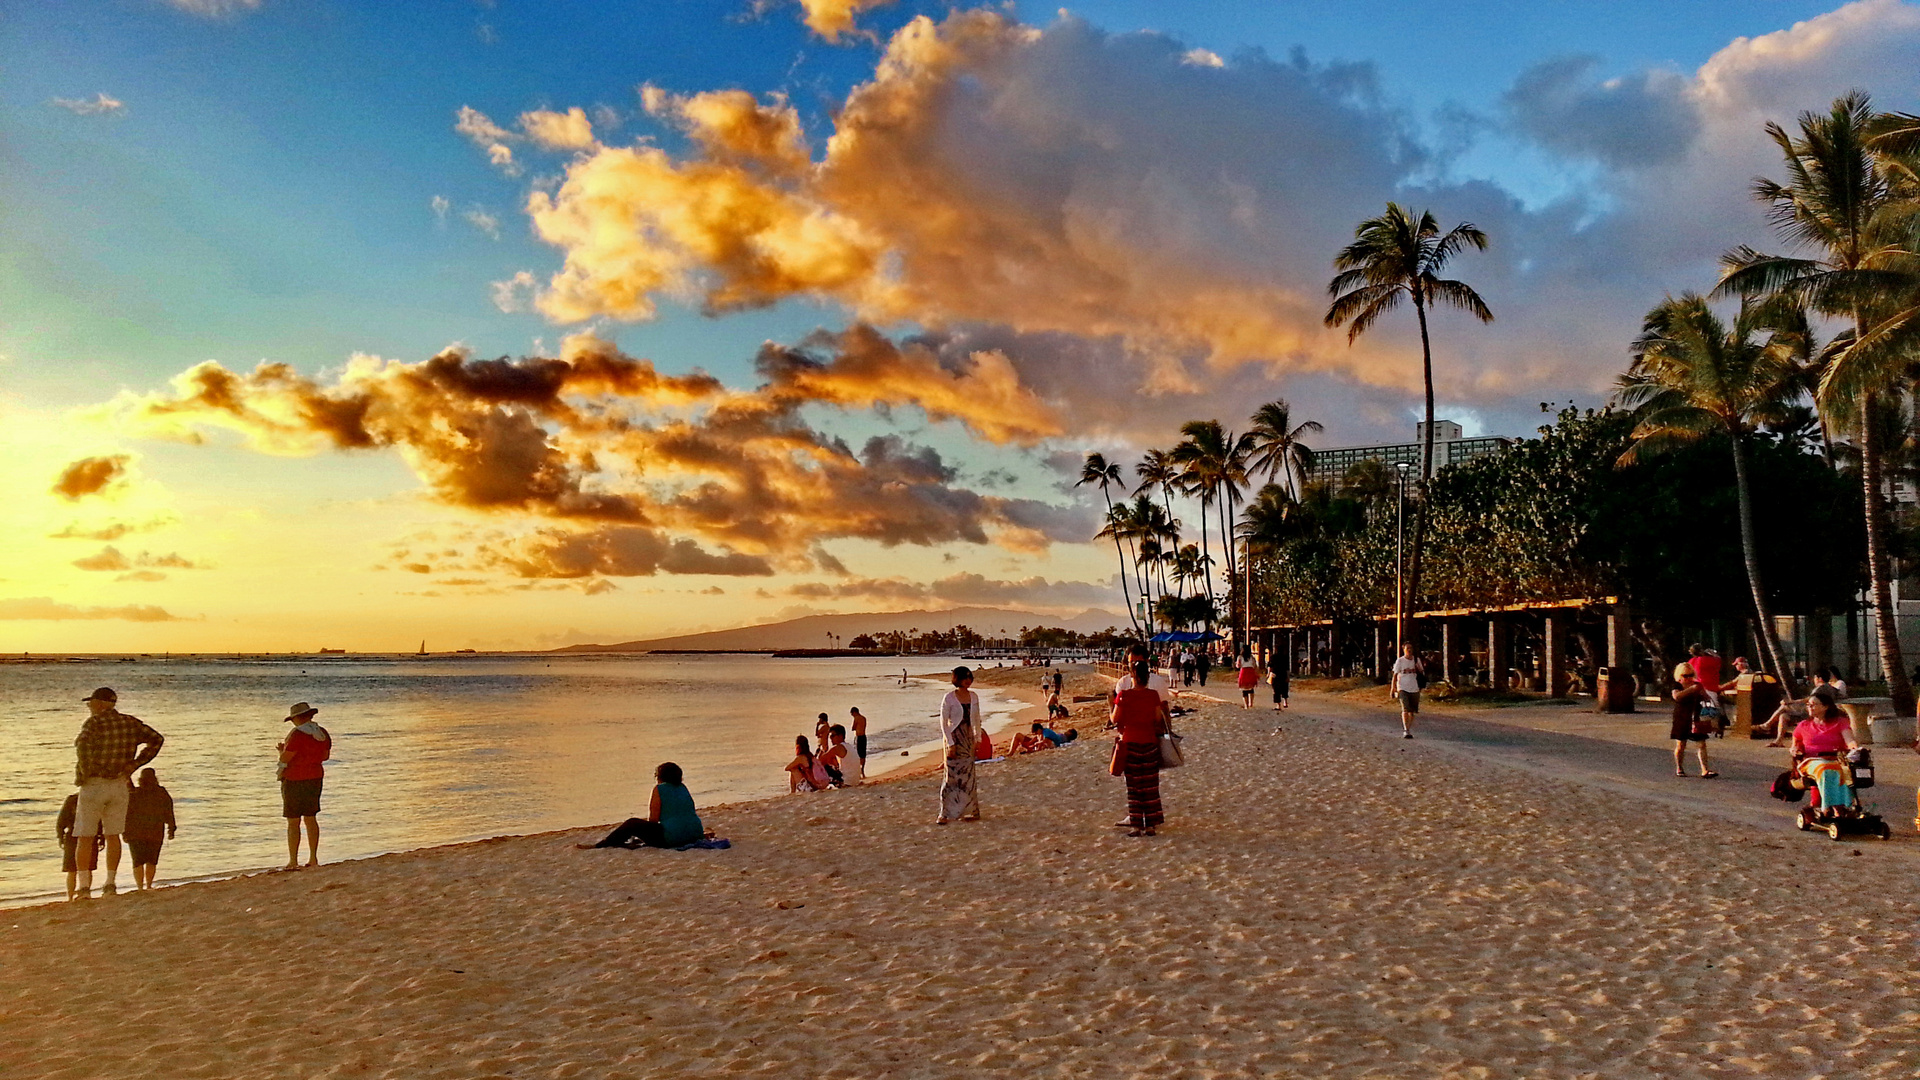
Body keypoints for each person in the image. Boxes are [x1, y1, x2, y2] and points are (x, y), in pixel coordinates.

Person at [72, 687, 165, 897]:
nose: (89, 707)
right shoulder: (130, 722)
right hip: (120, 783)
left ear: (101, 704)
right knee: (112, 835)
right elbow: (156, 739)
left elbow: (83, 745)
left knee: (85, 836)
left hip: (95, 783)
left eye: (91, 703)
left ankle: (84, 887)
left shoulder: (94, 723)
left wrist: (87, 771)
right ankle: (110, 883)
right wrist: (133, 765)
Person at [582, 762, 704, 849]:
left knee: (632, 823)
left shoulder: (660, 789)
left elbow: (654, 820)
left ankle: (603, 844)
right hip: (695, 833)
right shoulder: (683, 788)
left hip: (673, 838)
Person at [1110, 659, 1169, 837]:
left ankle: (1136, 825)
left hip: (1130, 742)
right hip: (1149, 742)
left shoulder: (1124, 696)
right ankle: (1150, 825)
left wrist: (1110, 707)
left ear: (1132, 675)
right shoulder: (1152, 696)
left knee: (1134, 787)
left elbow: (1114, 719)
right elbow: (1158, 719)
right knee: (1150, 786)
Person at [278, 702, 331, 869]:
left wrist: (281, 752)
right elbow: (325, 756)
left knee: (293, 821)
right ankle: (313, 858)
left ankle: (293, 860)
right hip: (315, 777)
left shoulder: (297, 735)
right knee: (311, 818)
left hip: (294, 778)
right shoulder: (321, 733)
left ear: (297, 718)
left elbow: (286, 759)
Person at [937, 666, 982, 824]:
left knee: (969, 777)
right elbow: (943, 722)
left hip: (968, 740)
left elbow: (976, 720)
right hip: (954, 739)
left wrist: (978, 739)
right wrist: (950, 743)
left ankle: (972, 810)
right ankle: (945, 813)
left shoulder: (974, 696)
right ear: (958, 679)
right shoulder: (949, 697)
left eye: (970, 678)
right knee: (951, 776)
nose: (968, 681)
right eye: (965, 678)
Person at [123, 768, 176, 891]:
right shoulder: (161, 793)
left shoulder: (134, 793)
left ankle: (140, 887)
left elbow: (127, 814)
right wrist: (171, 829)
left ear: (141, 779)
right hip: (155, 831)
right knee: (152, 860)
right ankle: (148, 885)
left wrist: (124, 832)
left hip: (135, 832)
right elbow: (169, 811)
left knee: (137, 861)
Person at [1669, 668, 1717, 778]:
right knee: (1681, 744)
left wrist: (1703, 693)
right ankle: (1679, 767)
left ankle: (1705, 769)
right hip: (1681, 716)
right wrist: (1691, 690)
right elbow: (1677, 696)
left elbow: (1706, 697)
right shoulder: (1676, 685)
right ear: (1679, 676)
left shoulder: (1697, 685)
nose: (1688, 678)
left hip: (1696, 716)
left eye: (1690, 675)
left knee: (1701, 743)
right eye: (1685, 676)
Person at [56, 793, 103, 903]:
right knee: (87, 868)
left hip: (72, 835)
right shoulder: (94, 800)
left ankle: (70, 896)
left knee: (71, 870)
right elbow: (100, 820)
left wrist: (60, 836)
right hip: (91, 834)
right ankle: (86, 890)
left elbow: (62, 819)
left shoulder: (72, 800)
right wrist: (102, 836)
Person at [1388, 644, 1423, 738]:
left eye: (1411, 648)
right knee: (1405, 709)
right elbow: (1395, 675)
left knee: (1412, 711)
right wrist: (1393, 688)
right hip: (1402, 687)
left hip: (1414, 688)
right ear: (1404, 650)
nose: (1409, 650)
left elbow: (1421, 672)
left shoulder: (1416, 660)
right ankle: (1406, 730)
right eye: (1407, 648)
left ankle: (1408, 727)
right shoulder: (1400, 661)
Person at [1688, 644, 1723, 711]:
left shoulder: (1692, 661)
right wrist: (1713, 654)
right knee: (1714, 710)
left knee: (1698, 710)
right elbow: (1718, 661)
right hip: (1709, 688)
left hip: (1696, 687)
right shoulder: (1708, 660)